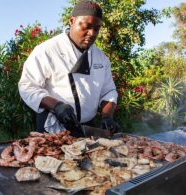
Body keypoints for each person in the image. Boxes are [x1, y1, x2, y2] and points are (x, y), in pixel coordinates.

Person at [18, 0, 120, 137]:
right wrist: (57, 106)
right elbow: (27, 86)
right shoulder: (47, 50)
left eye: (97, 28)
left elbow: (109, 91)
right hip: (54, 126)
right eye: (87, 26)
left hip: (88, 127)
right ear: (72, 21)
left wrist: (107, 116)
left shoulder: (100, 57)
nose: (92, 33)